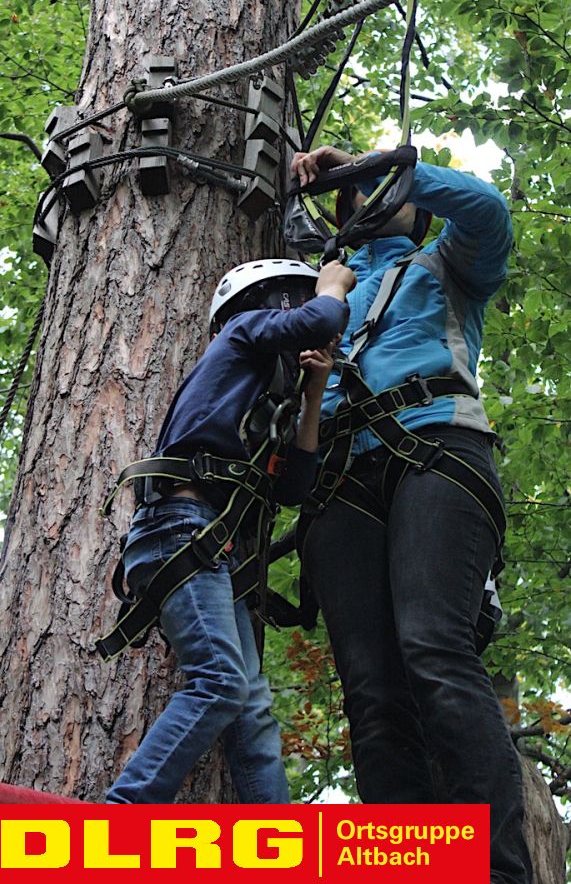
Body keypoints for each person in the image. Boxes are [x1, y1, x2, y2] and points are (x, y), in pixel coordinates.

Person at [290, 145, 532, 884]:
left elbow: (487, 211)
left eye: (380, 192)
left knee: (433, 645)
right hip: (338, 476)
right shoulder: (319, 294)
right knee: (370, 691)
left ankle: (495, 870)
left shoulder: (448, 265)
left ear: (413, 207)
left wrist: (373, 165)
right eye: (352, 196)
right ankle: (411, 867)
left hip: (436, 449)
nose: (365, 200)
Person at [106, 256, 356, 804]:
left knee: (250, 706)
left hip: (207, 544)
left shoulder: (260, 402)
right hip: (180, 528)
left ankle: (274, 839)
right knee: (220, 681)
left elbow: (294, 487)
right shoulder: (242, 332)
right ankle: (122, 813)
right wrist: (335, 284)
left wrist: (314, 393)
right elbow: (318, 319)